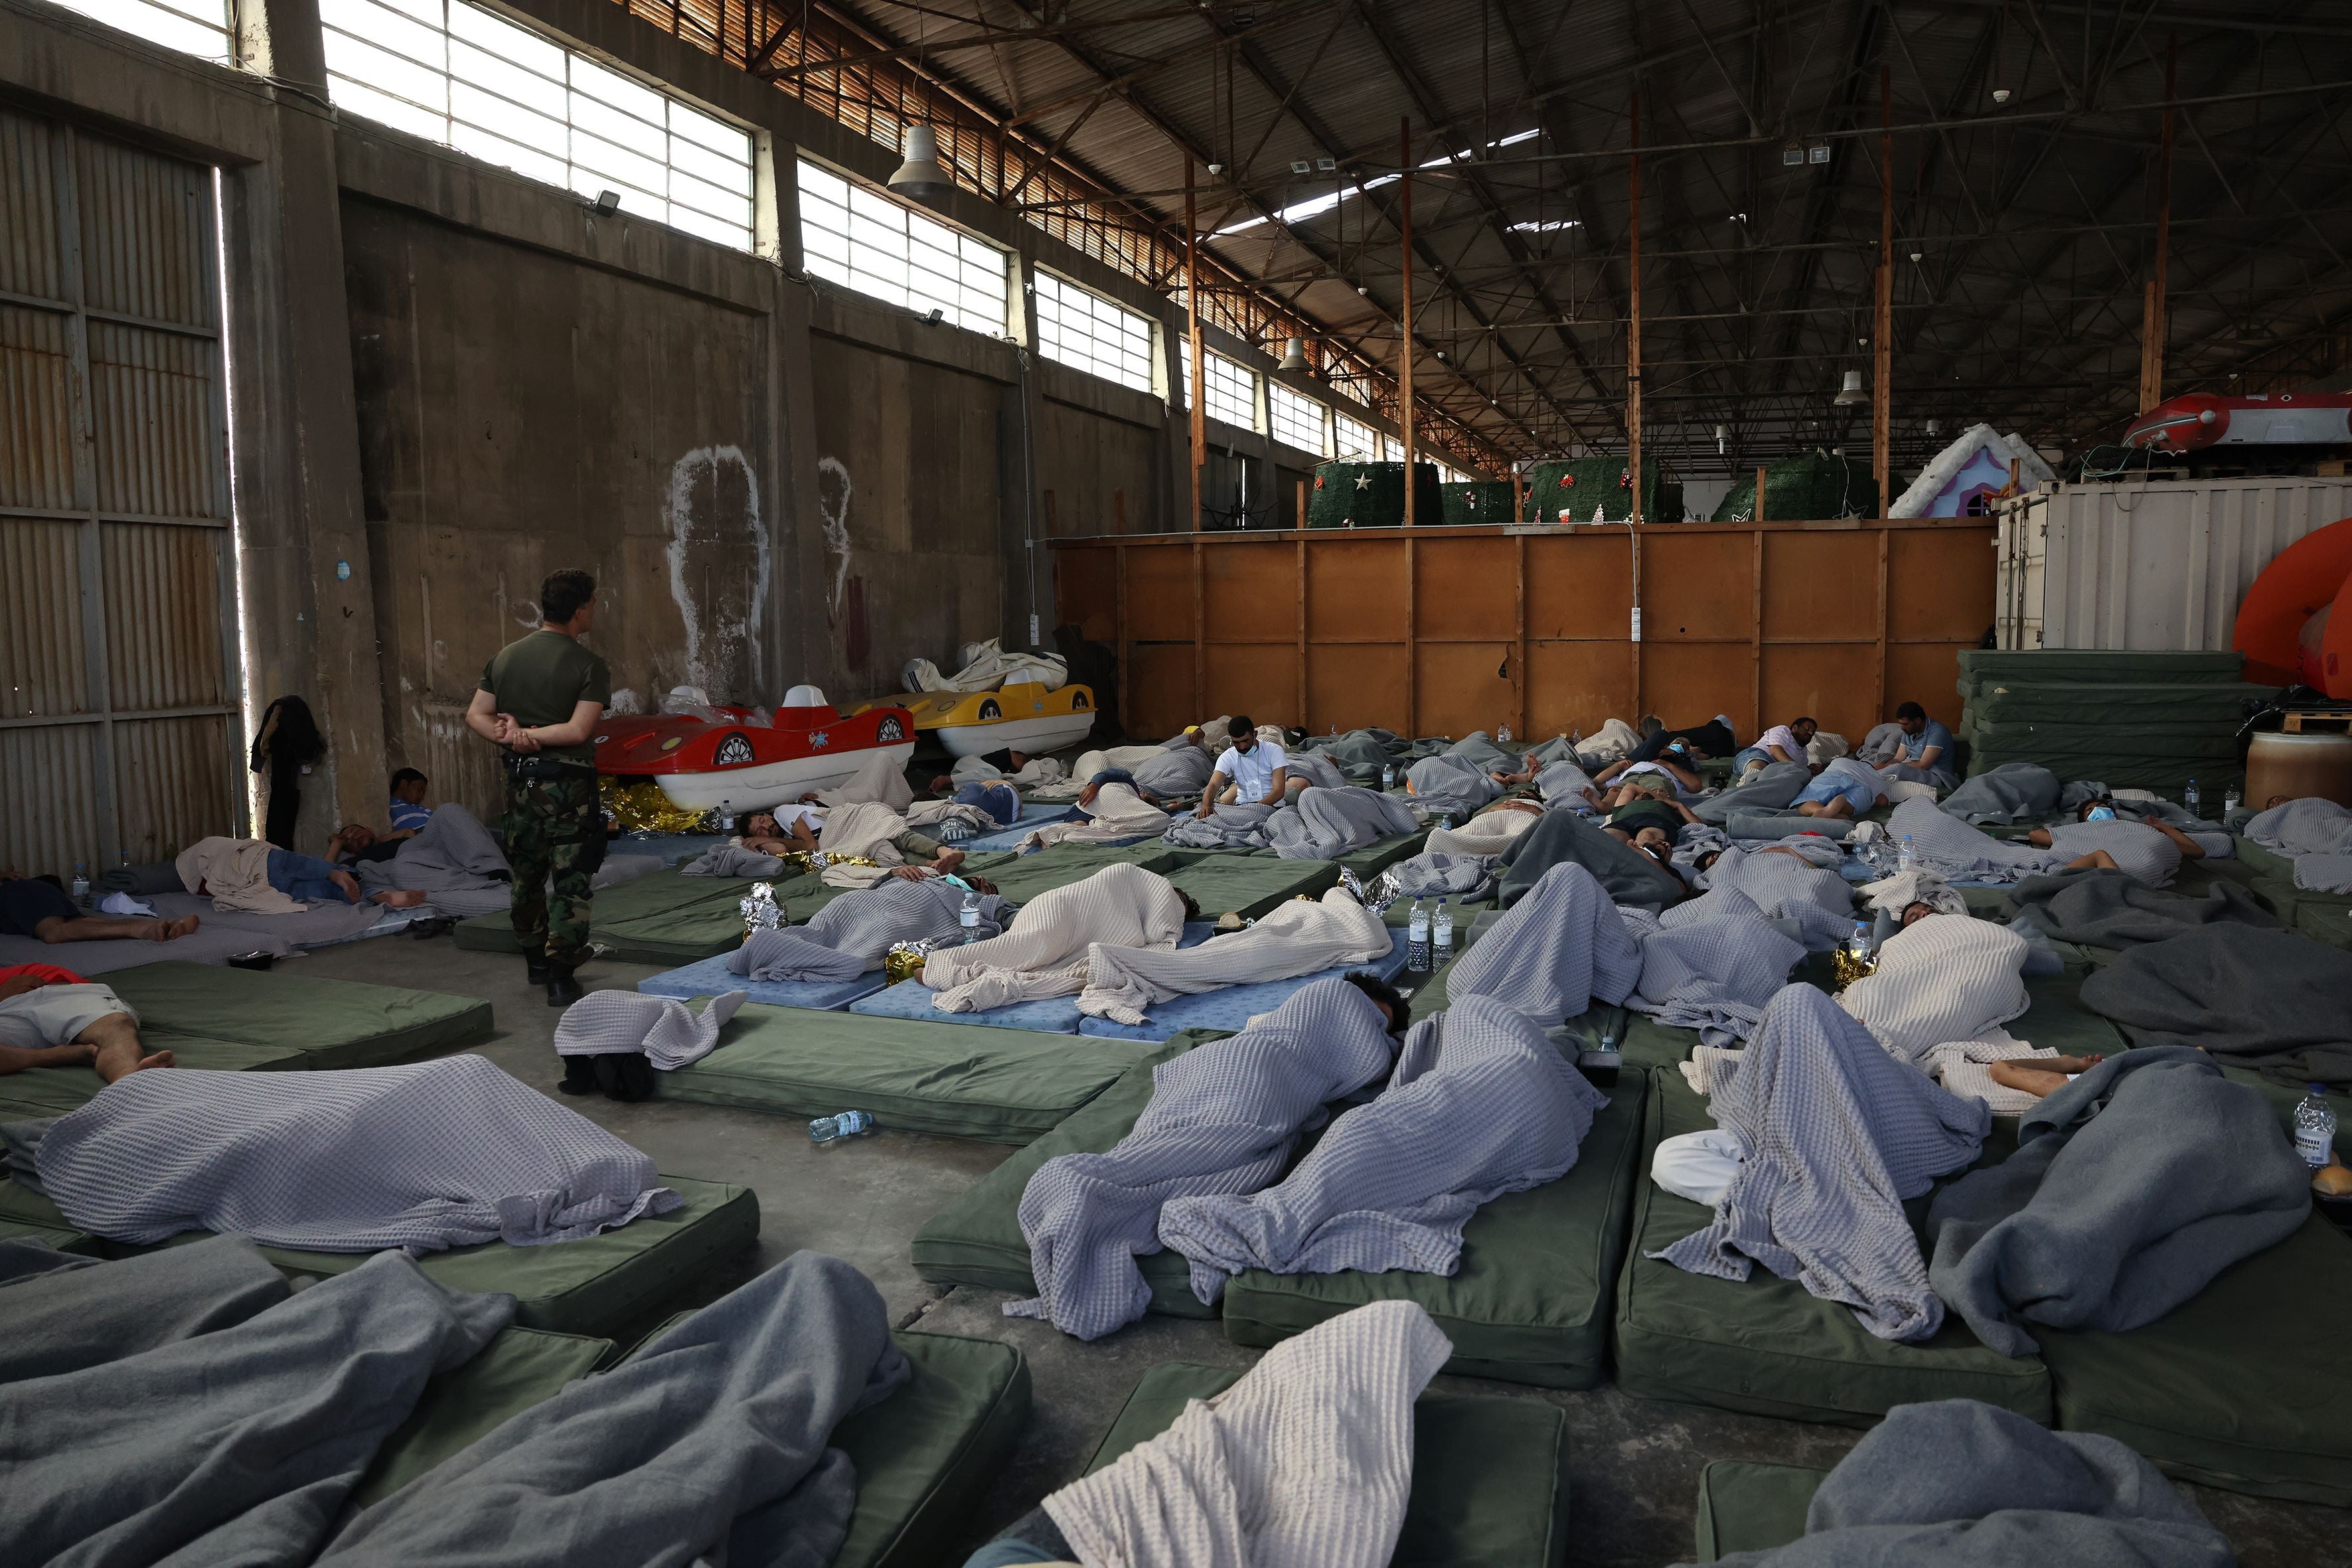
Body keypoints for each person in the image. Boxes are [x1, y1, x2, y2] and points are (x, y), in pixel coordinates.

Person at [468, 568, 609, 1006]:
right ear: (581, 608)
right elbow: (577, 730)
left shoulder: (506, 657)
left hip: (521, 787)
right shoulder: (589, 665)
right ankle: (561, 976)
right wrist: (536, 735)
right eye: (593, 603)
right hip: (569, 791)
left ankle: (535, 961)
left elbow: (476, 714)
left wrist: (512, 737)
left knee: (526, 877)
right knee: (571, 879)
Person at [0, 963, 175, 1083]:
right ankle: (56, 1056)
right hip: (6, 1011)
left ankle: (127, 1079)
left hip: (51, 991)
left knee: (113, 1026)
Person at [0, 872, 199, 945]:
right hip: (28, 891)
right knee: (77, 923)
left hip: (16, 891)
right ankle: (157, 925)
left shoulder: (13, 889)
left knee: (53, 932)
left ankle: (142, 929)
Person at [1193, 716, 1289, 818]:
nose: (1242, 747)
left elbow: (1278, 791)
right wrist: (1206, 805)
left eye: (1245, 741)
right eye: (1236, 743)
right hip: (1242, 807)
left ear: (1255, 735)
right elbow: (1213, 785)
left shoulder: (1274, 751)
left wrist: (1255, 810)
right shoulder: (1228, 756)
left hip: (1273, 807)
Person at [1875, 701, 1958, 788]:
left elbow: (1924, 765)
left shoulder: (1937, 732)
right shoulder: (1909, 731)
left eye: (1906, 724)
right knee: (1878, 766)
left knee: (1898, 769)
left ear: (1918, 720)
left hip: (1936, 775)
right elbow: (1899, 758)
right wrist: (1883, 766)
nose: (1902, 728)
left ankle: (1871, 781)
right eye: (1901, 724)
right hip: (1913, 768)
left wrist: (1890, 767)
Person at [1792, 757, 1890, 820]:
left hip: (1835, 774)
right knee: (1851, 805)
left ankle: (1822, 810)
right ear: (1872, 768)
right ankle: (1839, 808)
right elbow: (1883, 801)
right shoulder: (1876, 776)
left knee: (1805, 801)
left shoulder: (1840, 760)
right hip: (1862, 788)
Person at [1732, 716, 1819, 777]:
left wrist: (1808, 769)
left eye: (1813, 732)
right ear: (1795, 728)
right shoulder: (1783, 730)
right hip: (1757, 756)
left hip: (1776, 771)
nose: (1811, 733)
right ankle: (1753, 779)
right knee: (1759, 764)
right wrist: (1798, 769)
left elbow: (1799, 771)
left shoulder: (1804, 751)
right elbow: (1775, 751)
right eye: (1808, 728)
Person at [388, 769, 433, 834]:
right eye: (419, 790)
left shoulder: (420, 809)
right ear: (404, 784)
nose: (422, 797)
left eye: (423, 794)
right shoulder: (390, 807)